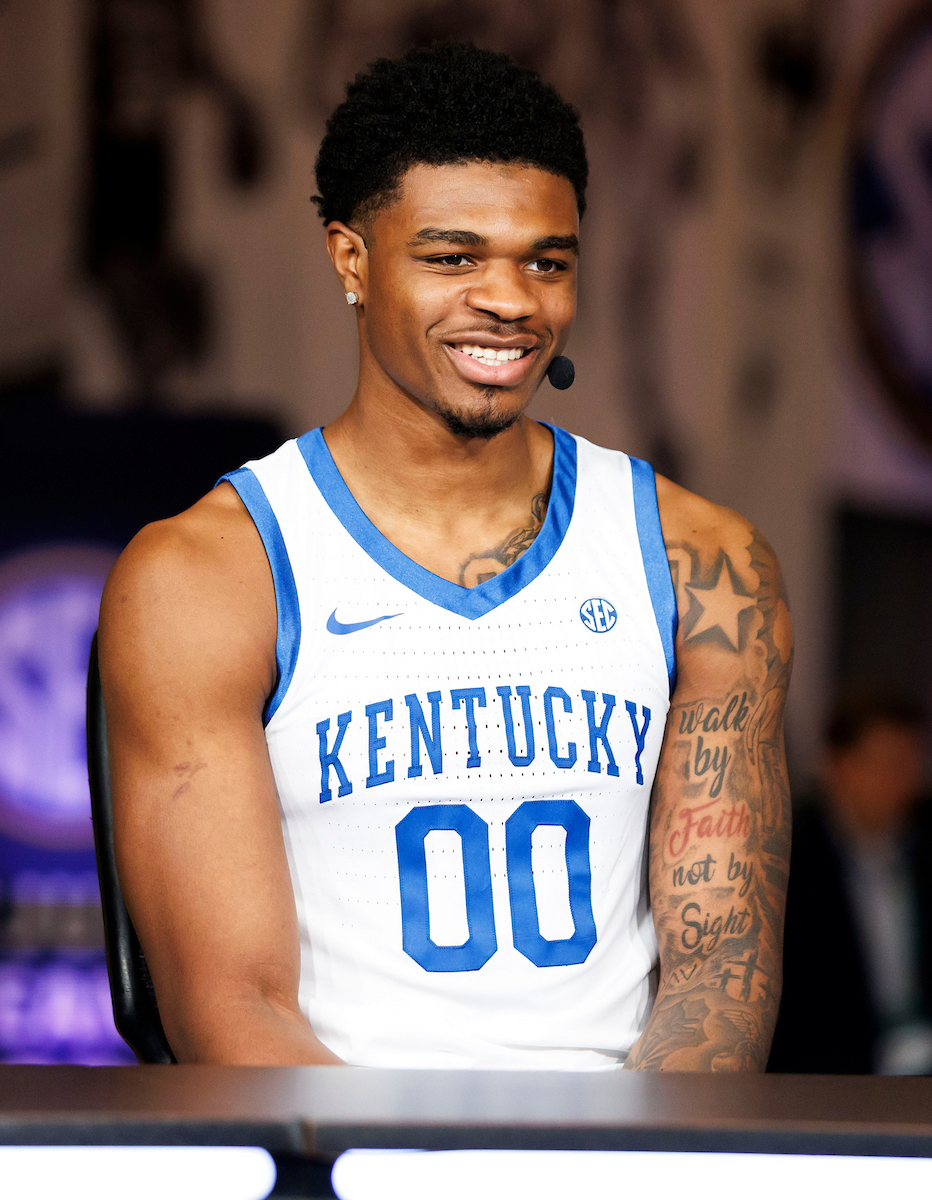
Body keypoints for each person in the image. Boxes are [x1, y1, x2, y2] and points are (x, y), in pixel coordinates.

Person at [98, 42, 792, 1071]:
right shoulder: (208, 577)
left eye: (546, 262)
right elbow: (233, 1010)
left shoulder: (705, 565)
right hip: (336, 1145)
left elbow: (716, 981)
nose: (511, 300)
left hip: (627, 1147)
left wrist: (629, 1159)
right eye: (453, 258)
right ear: (351, 260)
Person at [769, 692, 932, 1075]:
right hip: (824, 1072)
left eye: (908, 762)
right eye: (882, 763)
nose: (898, 780)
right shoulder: (789, 855)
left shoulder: (924, 842)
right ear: (835, 766)